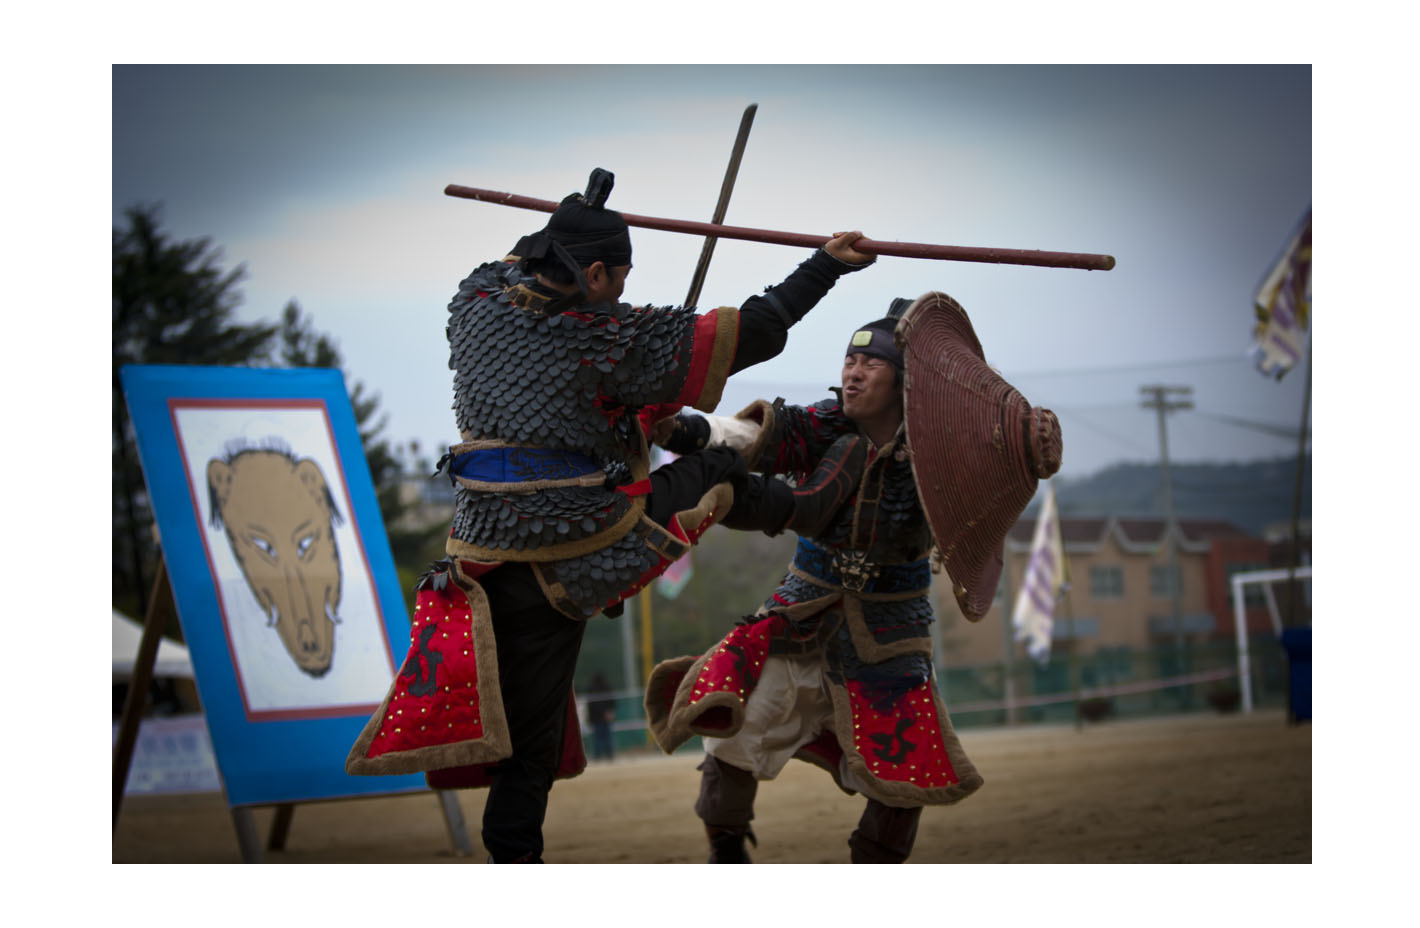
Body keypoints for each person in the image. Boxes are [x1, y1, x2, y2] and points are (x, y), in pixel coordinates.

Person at [346, 167, 875, 864]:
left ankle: (512, 865)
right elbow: (755, 330)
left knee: (527, 750)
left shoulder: (477, 302)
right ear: (593, 274)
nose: (623, 292)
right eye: (618, 277)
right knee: (720, 467)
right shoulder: (607, 339)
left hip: (477, 555)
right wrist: (826, 264)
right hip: (573, 549)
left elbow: (518, 260)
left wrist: (578, 215)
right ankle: (801, 508)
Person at [644, 299, 986, 864]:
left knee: (904, 772)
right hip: (800, 616)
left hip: (891, 633)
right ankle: (726, 854)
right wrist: (683, 429)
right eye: (850, 361)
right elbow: (748, 436)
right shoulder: (825, 425)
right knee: (734, 726)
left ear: (905, 381)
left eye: (871, 364)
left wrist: (1031, 442)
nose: (854, 373)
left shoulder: (943, 450)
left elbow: (998, 462)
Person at [587, 671, 617, 761]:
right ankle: (609, 755)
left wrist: (590, 718)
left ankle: (599, 756)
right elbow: (612, 702)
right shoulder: (606, 687)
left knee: (599, 738)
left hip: (597, 718)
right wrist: (609, 712)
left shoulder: (592, 689)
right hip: (602, 717)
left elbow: (591, 706)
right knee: (606, 737)